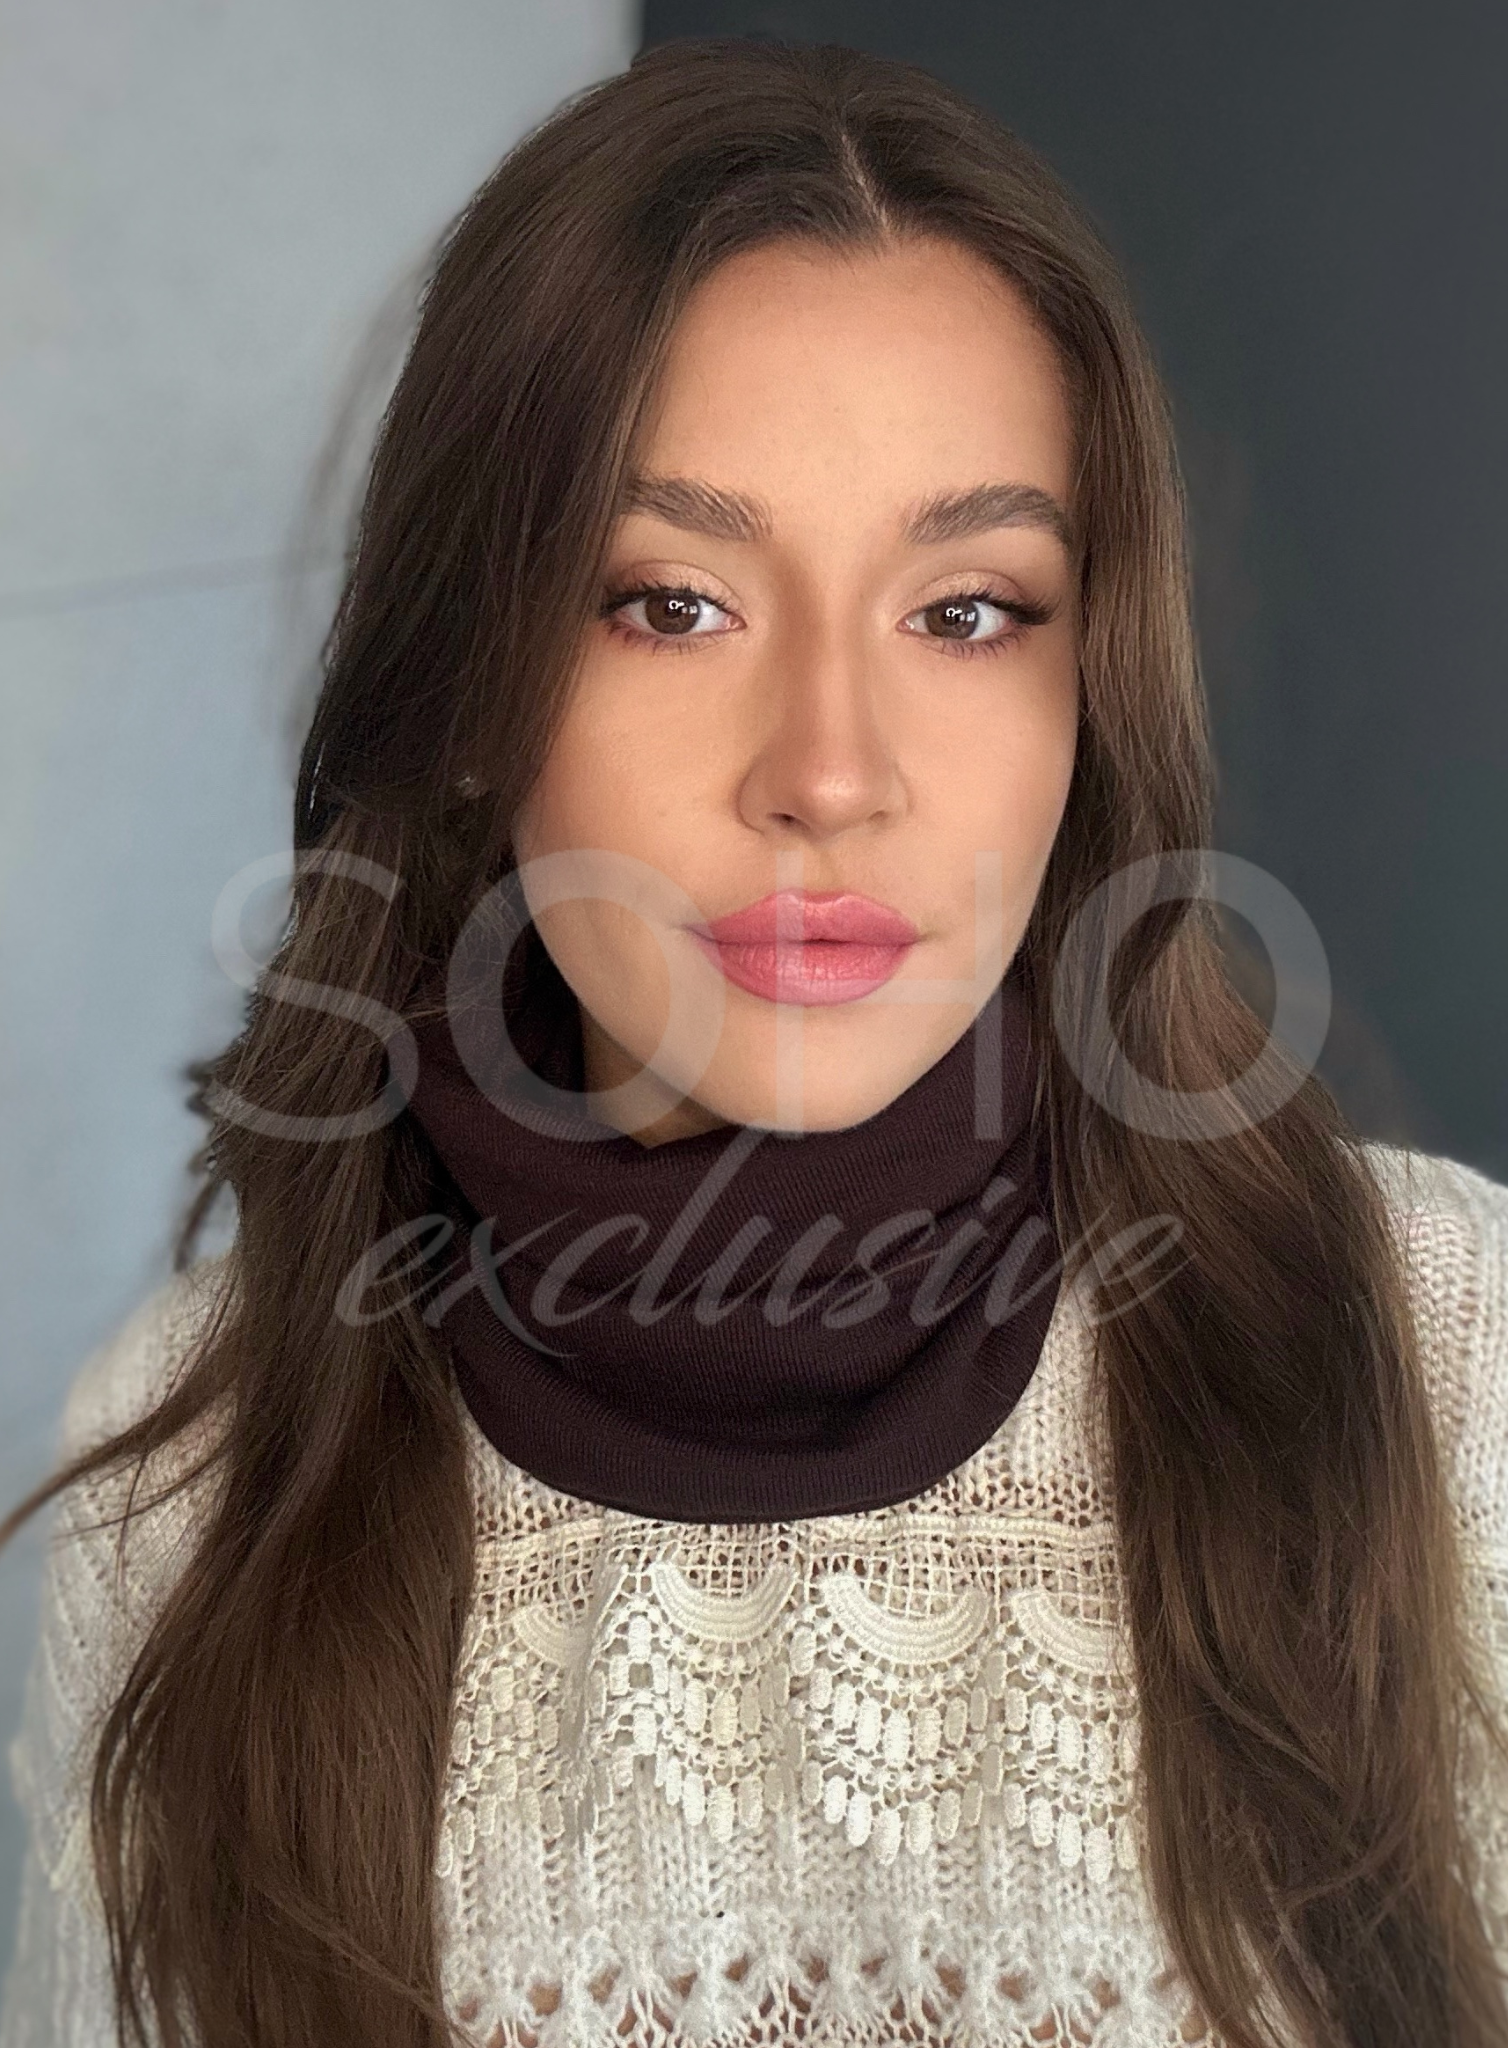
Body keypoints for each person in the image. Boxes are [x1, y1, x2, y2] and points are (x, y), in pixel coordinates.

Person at [2, 35, 1505, 2048]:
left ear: (1091, 694)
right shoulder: (192, 1465)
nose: (829, 770)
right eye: (671, 603)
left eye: (966, 611)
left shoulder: (1447, 1350)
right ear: (472, 687)